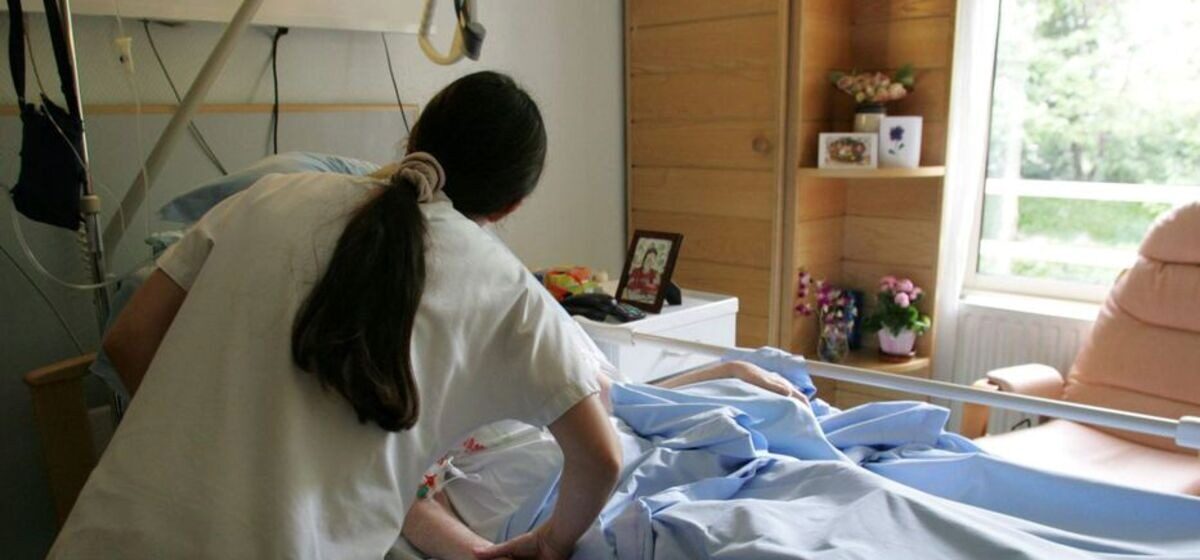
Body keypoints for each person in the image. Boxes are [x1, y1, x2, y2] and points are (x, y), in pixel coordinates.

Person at [50, 72, 621, 559]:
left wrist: (200, 431)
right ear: (511, 204)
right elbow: (600, 458)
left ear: (414, 138)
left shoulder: (266, 196)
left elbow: (128, 339)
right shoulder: (507, 288)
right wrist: (548, 543)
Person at [400, 359, 811, 558]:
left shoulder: (522, 328)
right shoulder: (400, 392)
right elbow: (412, 505)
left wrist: (728, 371)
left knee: (796, 507)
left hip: (641, 456)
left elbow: (624, 396)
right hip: (558, 512)